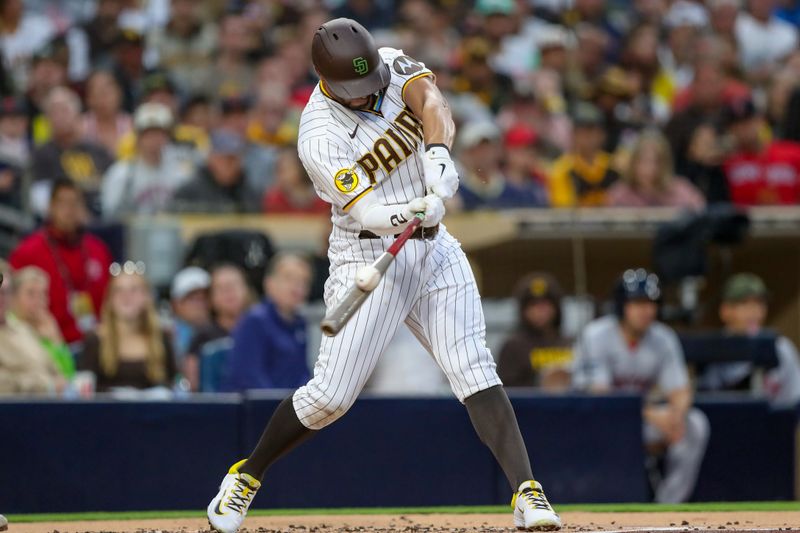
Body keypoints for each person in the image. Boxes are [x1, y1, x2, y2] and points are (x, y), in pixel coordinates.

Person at [206, 18, 560, 533]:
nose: (366, 94)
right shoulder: (318, 135)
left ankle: (528, 493)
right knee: (329, 397)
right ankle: (245, 477)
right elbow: (369, 212)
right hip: (367, 255)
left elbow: (433, 104)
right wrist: (411, 209)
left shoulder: (390, 63)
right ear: (324, 79)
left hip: (436, 252)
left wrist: (438, 155)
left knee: (472, 367)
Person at [572, 269, 710, 503]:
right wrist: (653, 415)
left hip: (642, 419)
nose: (646, 310)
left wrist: (676, 418)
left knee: (695, 424)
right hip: (597, 421)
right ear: (621, 305)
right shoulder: (596, 335)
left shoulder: (663, 338)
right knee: (619, 423)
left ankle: (668, 504)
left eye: (651, 303)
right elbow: (602, 396)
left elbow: (680, 390)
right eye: (637, 303)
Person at [9, 179, 112, 346]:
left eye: (75, 203)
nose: (69, 210)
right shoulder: (27, 253)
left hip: (96, 343)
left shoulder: (98, 250)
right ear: (50, 207)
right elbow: (13, 308)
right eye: (62, 203)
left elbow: (110, 303)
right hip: (45, 345)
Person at [700, 273, 800, 407]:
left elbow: (792, 402)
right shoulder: (712, 348)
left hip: (769, 424)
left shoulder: (780, 347)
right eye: (744, 303)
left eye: (759, 303)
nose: (753, 311)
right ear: (725, 310)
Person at [220, 254, 311, 392]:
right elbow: (249, 377)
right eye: (289, 278)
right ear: (269, 283)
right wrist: (283, 407)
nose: (297, 286)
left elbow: (302, 374)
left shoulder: (300, 325)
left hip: (291, 407)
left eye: (303, 281)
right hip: (259, 408)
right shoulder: (254, 321)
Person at [79, 266, 176, 393]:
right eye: (118, 290)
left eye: (134, 290)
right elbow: (85, 390)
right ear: (110, 299)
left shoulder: (161, 337)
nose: (126, 296)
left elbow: (173, 385)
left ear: (146, 297)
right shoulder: (95, 340)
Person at [29, 87, 113, 216]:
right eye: (53, 112)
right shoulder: (41, 154)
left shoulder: (98, 151)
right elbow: (41, 200)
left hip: (100, 217)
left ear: (78, 114)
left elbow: (112, 189)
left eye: (64, 110)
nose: (59, 117)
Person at [101, 102, 195, 218]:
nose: (154, 139)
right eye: (148, 134)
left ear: (167, 136)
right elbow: (110, 215)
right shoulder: (121, 174)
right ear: (138, 137)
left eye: (159, 133)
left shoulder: (181, 172)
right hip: (134, 234)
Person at [184, 264, 254, 392]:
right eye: (221, 288)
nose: (229, 293)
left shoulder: (260, 332)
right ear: (211, 298)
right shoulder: (201, 336)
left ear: (246, 289)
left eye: (233, 286)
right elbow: (191, 386)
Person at [498, 273, 572, 391]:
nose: (540, 311)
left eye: (545, 304)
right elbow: (507, 391)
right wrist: (542, 382)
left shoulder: (570, 342)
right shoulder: (512, 346)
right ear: (523, 310)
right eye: (533, 305)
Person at [0, 260, 64, 396]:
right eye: (31, 294)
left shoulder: (24, 329)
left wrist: (56, 339)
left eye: (5, 291)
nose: (2, 298)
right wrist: (45, 385)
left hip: (47, 406)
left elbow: (58, 371)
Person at [722, 98, 800, 205]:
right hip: (744, 219)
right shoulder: (726, 161)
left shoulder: (793, 154)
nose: (743, 129)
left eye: (748, 121)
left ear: (761, 121)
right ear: (730, 129)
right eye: (736, 125)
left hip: (790, 218)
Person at [606, 131, 706, 209]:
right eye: (643, 160)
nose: (649, 168)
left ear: (666, 164)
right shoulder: (619, 194)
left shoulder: (682, 190)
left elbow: (700, 213)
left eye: (656, 162)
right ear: (633, 162)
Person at [170, 130, 261, 214]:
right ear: (211, 158)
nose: (231, 165)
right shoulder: (189, 192)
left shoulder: (249, 191)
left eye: (236, 159)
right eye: (225, 159)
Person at [9, 266, 75, 381]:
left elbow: (69, 374)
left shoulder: (49, 325)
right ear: (14, 297)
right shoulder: (8, 325)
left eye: (43, 294)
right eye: (31, 294)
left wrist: (56, 339)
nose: (38, 300)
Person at [549, 102, 619, 207]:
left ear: (602, 135)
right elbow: (563, 211)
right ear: (573, 135)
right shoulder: (561, 170)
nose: (588, 137)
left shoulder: (614, 166)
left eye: (593, 131)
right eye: (583, 131)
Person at [261, 148, 330, 214]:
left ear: (301, 169)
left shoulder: (324, 199)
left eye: (287, 169)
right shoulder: (274, 199)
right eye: (278, 170)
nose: (281, 175)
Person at [81, 70, 133, 156]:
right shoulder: (81, 127)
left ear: (119, 94)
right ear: (89, 98)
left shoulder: (131, 125)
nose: (103, 99)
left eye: (107, 92)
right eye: (98, 93)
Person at [170, 266, 211, 364]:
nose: (201, 305)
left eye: (205, 298)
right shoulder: (166, 336)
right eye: (194, 299)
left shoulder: (223, 332)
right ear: (176, 304)